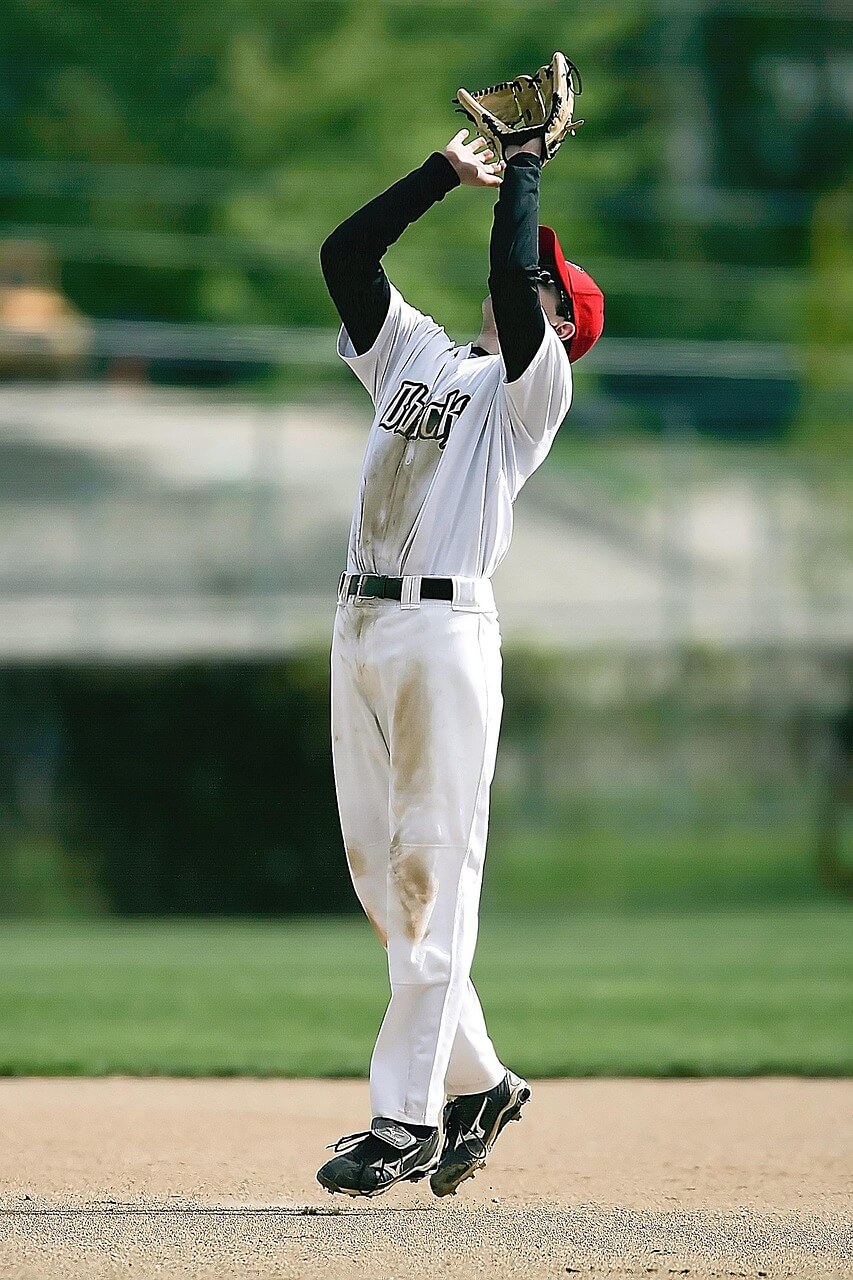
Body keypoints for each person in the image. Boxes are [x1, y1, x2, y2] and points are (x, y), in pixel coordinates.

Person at [316, 126, 604, 1199]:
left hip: (443, 636)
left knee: (430, 875)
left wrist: (527, 166)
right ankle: (480, 1083)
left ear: (563, 324)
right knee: (383, 887)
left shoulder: (532, 395)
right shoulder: (422, 355)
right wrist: (443, 173)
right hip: (359, 625)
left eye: (543, 283)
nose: (523, 282)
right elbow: (345, 259)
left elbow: (510, 276)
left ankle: (405, 1119)